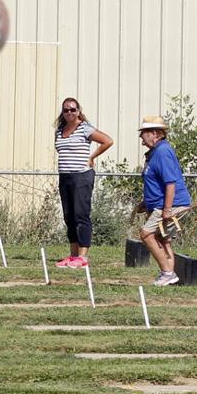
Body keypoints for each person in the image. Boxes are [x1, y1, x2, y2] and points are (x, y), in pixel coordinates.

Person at [53, 97, 114, 269]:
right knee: (69, 216)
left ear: (78, 111)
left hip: (81, 176)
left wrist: (92, 157)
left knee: (81, 214)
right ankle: (73, 255)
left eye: (73, 109)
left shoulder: (85, 128)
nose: (70, 113)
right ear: (62, 112)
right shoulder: (60, 130)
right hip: (65, 175)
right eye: (66, 110)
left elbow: (107, 141)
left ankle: (83, 256)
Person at [136, 116, 192, 287]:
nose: (141, 137)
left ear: (155, 134)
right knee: (163, 238)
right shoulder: (155, 152)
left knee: (146, 234)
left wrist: (167, 209)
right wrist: (145, 203)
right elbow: (156, 182)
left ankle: (168, 273)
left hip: (171, 204)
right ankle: (168, 276)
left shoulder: (163, 152)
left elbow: (170, 183)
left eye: (144, 133)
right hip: (161, 204)